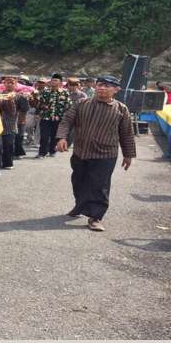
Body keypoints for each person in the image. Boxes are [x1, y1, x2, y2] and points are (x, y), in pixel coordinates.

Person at [56, 75, 136, 232]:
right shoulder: (81, 103)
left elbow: (127, 133)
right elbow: (67, 121)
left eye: (107, 86)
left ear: (116, 89)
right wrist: (62, 138)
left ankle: (95, 217)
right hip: (81, 152)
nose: (102, 88)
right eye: (100, 84)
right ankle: (80, 206)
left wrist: (128, 155)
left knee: (99, 186)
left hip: (105, 154)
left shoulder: (121, 109)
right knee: (78, 181)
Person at [32, 73, 71, 158]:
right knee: (44, 136)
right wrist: (40, 105)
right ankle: (42, 153)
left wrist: (65, 116)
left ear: (60, 82)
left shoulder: (65, 93)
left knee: (54, 136)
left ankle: (52, 151)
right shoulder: (45, 92)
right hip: (45, 117)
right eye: (52, 80)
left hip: (58, 118)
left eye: (56, 80)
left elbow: (68, 105)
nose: (53, 82)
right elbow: (39, 103)